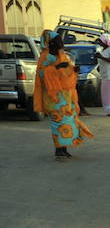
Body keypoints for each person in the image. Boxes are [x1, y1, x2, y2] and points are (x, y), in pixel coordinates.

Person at [35, 30, 94, 160]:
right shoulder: (45, 57)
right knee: (58, 122)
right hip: (53, 96)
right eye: (58, 40)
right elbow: (42, 74)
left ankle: (64, 149)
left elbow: (66, 71)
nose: (60, 42)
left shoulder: (61, 55)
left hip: (65, 95)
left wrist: (73, 70)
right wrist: (56, 68)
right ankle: (58, 150)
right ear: (51, 42)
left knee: (68, 121)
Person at [97, 34, 110, 115]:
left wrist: (101, 57)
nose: (100, 43)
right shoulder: (103, 50)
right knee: (106, 94)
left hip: (109, 75)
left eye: (101, 41)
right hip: (104, 75)